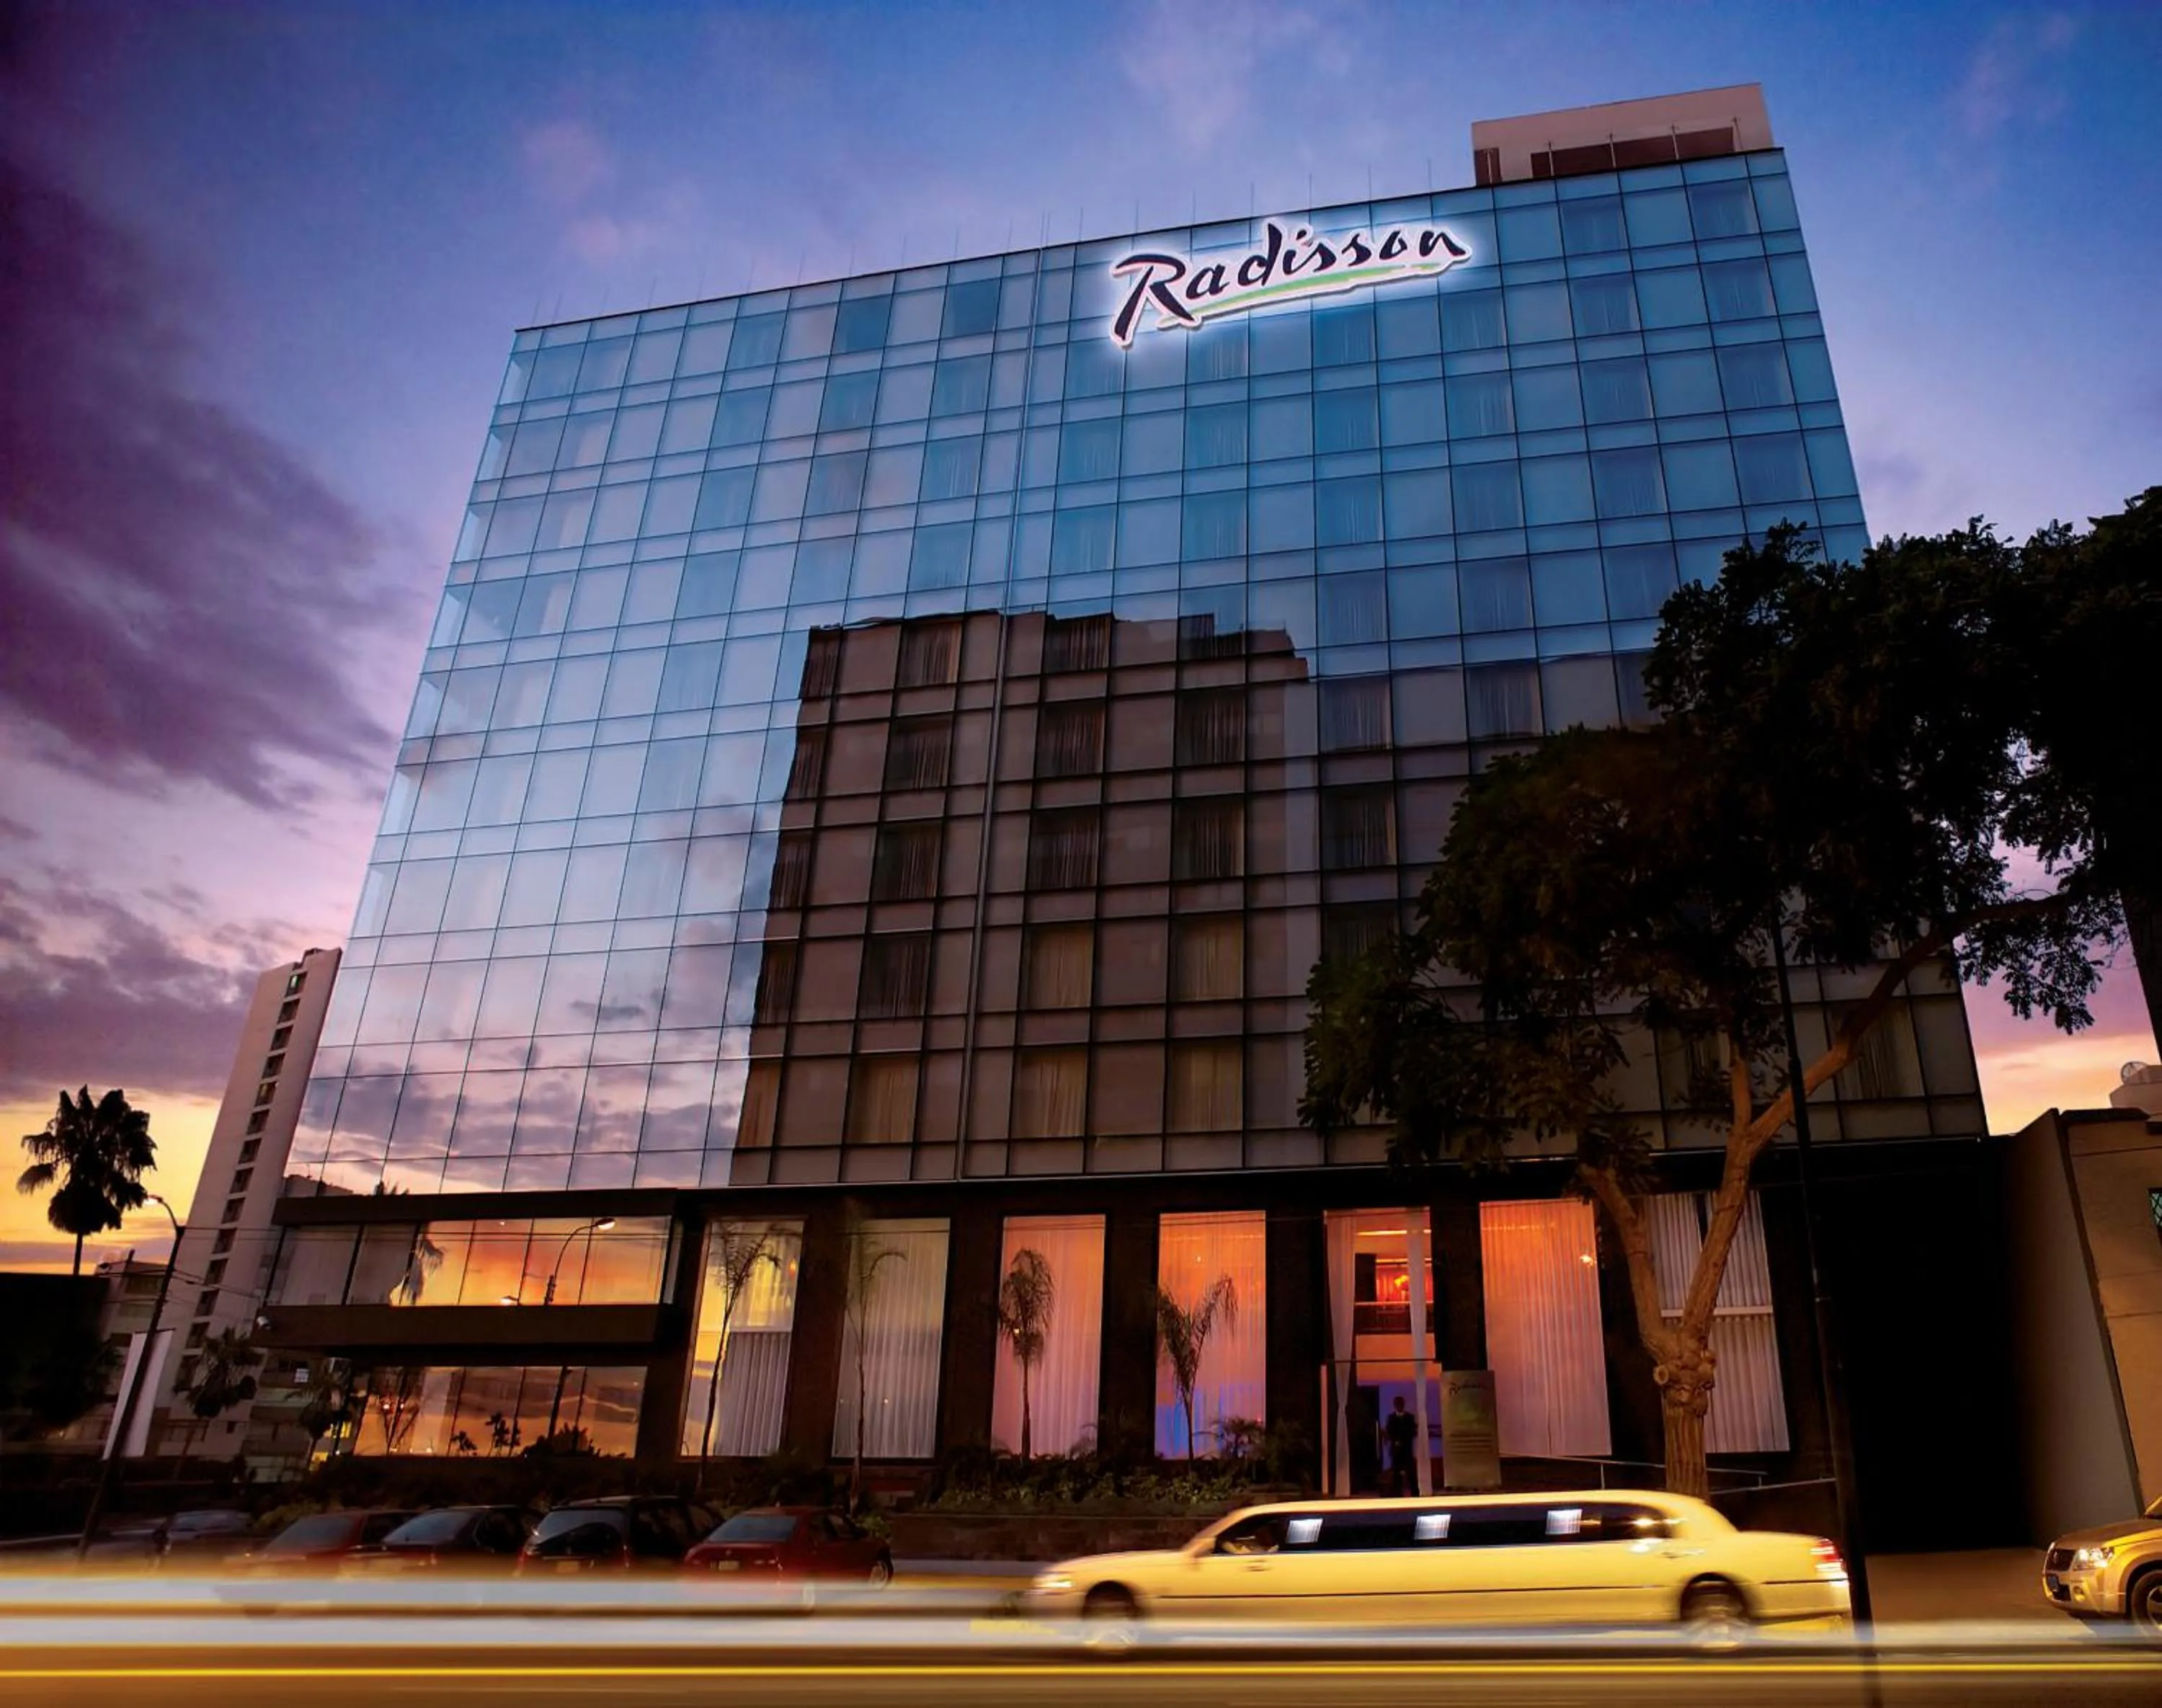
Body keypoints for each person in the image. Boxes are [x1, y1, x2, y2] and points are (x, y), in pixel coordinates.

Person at [1383, 1394, 1419, 1496]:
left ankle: (1415, 1494)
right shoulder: (1391, 1418)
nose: (1399, 1406)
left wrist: (1403, 1440)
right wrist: (1395, 1441)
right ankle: (1396, 1494)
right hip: (1396, 1450)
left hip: (1407, 1449)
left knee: (1411, 1473)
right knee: (1396, 1474)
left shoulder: (1410, 1417)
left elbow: (1412, 1432)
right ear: (1395, 1405)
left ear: (1403, 1404)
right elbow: (1389, 1431)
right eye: (1397, 1404)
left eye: (1401, 1404)